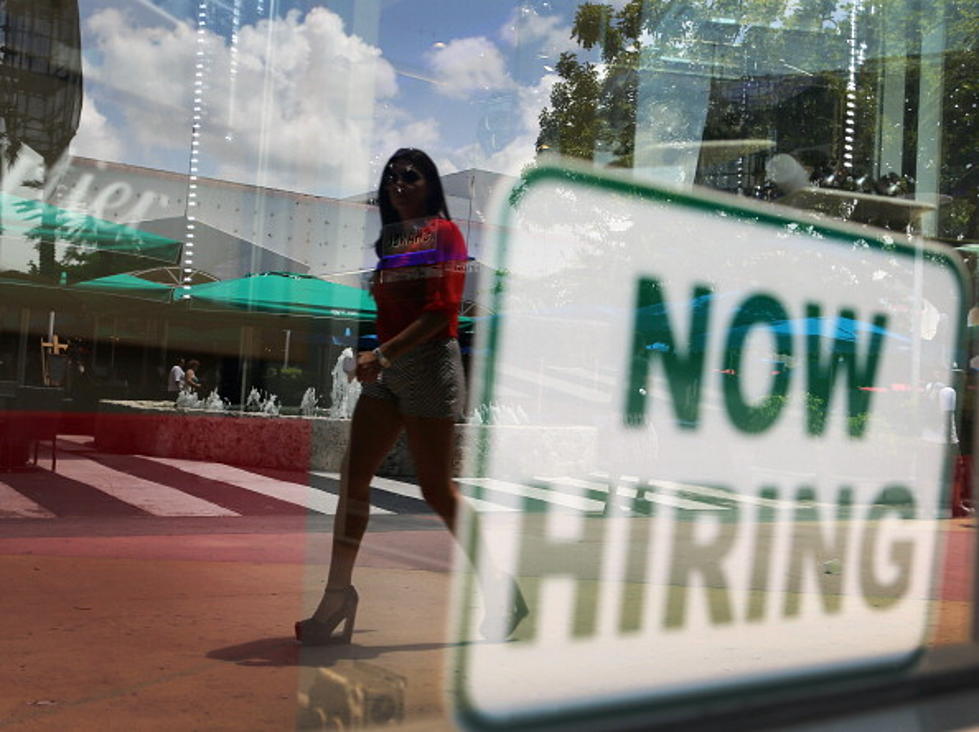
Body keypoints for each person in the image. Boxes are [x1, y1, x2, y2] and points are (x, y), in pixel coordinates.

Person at [295, 148, 527, 645]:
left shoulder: (445, 234)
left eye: (411, 176)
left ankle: (499, 589)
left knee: (436, 490)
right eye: (392, 177)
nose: (399, 183)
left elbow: (441, 309)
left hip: (427, 367)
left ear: (430, 185)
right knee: (353, 480)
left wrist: (383, 355)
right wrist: (378, 354)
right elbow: (390, 311)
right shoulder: (391, 242)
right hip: (389, 369)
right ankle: (337, 593)